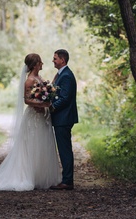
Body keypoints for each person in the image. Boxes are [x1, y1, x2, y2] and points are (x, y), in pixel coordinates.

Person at [0, 53, 61, 191]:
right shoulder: (29, 81)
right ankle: (27, 176)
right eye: (40, 62)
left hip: (41, 117)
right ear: (35, 64)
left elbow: (44, 91)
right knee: (32, 145)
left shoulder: (39, 77)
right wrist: (43, 104)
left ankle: (40, 176)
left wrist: (48, 94)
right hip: (33, 117)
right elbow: (27, 100)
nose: (42, 64)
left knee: (42, 144)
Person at [49, 49, 78, 191]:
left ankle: (67, 181)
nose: (53, 61)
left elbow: (65, 98)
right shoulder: (62, 74)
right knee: (64, 149)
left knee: (65, 150)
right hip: (62, 118)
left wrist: (51, 107)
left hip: (64, 118)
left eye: (55, 58)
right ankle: (67, 180)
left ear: (62, 60)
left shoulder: (66, 76)